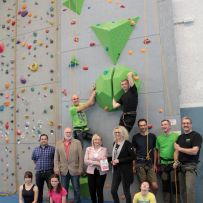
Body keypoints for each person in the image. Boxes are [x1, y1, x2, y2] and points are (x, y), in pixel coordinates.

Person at [173, 116, 202, 203]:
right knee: (182, 190)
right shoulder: (180, 137)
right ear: (182, 125)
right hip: (180, 167)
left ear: (191, 124)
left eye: (187, 123)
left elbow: (194, 151)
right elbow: (176, 152)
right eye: (184, 123)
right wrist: (175, 161)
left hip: (190, 167)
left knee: (189, 189)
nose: (185, 125)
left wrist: (180, 149)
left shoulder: (196, 136)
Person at [54, 127, 83, 203]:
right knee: (64, 189)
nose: (68, 134)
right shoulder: (58, 143)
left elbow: (81, 157)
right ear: (64, 133)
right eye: (67, 132)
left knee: (76, 188)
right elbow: (56, 157)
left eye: (70, 132)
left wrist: (80, 169)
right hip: (63, 170)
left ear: (71, 133)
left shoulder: (77, 142)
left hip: (75, 170)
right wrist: (56, 168)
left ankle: (77, 201)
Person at [155, 119, 180, 203]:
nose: (163, 126)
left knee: (174, 185)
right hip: (163, 165)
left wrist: (177, 162)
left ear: (169, 125)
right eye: (162, 124)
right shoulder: (159, 138)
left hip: (173, 164)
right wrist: (157, 164)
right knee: (165, 185)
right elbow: (158, 151)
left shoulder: (176, 136)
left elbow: (178, 150)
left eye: (165, 124)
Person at [132, 119, 158, 193]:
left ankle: (151, 199)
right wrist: (133, 165)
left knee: (155, 186)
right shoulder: (135, 137)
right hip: (139, 163)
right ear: (139, 126)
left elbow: (155, 151)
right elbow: (133, 153)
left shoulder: (152, 136)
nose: (142, 127)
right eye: (141, 125)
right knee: (143, 185)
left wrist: (155, 164)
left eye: (144, 125)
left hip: (150, 163)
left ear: (147, 125)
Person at [111, 126, 134, 203]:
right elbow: (115, 156)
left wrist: (119, 160)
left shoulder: (127, 143)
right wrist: (107, 159)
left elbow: (133, 157)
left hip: (126, 171)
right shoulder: (114, 143)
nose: (117, 134)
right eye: (116, 132)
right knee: (113, 190)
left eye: (119, 132)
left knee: (126, 192)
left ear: (123, 133)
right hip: (116, 170)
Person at [84, 134, 108, 203]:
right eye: (95, 139)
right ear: (93, 140)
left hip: (101, 173)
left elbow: (104, 162)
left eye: (99, 139)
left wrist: (91, 161)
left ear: (101, 141)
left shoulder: (104, 149)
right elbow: (85, 161)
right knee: (92, 190)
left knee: (99, 191)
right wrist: (97, 163)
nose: (97, 141)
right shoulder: (88, 149)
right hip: (90, 172)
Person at [32, 134, 55, 203]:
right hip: (39, 173)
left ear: (47, 140)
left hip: (49, 172)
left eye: (45, 139)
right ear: (40, 140)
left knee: (51, 189)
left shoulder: (52, 149)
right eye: (42, 139)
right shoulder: (35, 149)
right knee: (39, 190)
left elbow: (55, 159)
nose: (43, 140)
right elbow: (34, 159)